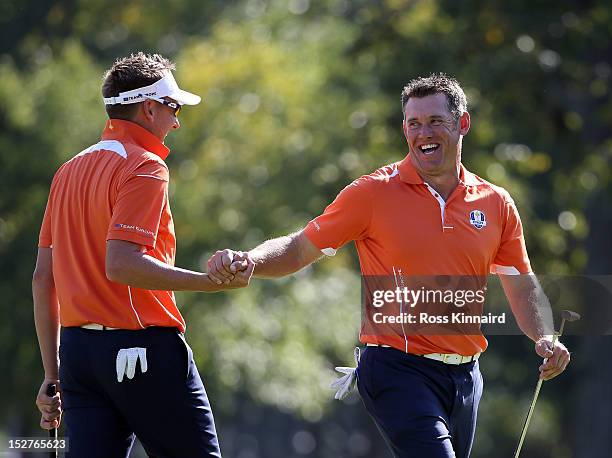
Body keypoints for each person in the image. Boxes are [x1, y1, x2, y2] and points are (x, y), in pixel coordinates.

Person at [207, 73, 571, 457]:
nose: (423, 133)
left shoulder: (496, 203)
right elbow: (300, 248)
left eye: (435, 121)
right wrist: (250, 260)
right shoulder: (372, 194)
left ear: (462, 123)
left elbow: (521, 282)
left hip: (466, 376)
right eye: (414, 124)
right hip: (397, 368)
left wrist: (545, 336)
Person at [33, 52, 253, 458]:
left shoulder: (68, 170)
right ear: (149, 108)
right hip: (141, 351)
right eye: (172, 108)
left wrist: (52, 374)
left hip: (79, 359)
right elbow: (122, 263)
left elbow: (43, 278)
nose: (176, 120)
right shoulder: (146, 166)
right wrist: (208, 282)